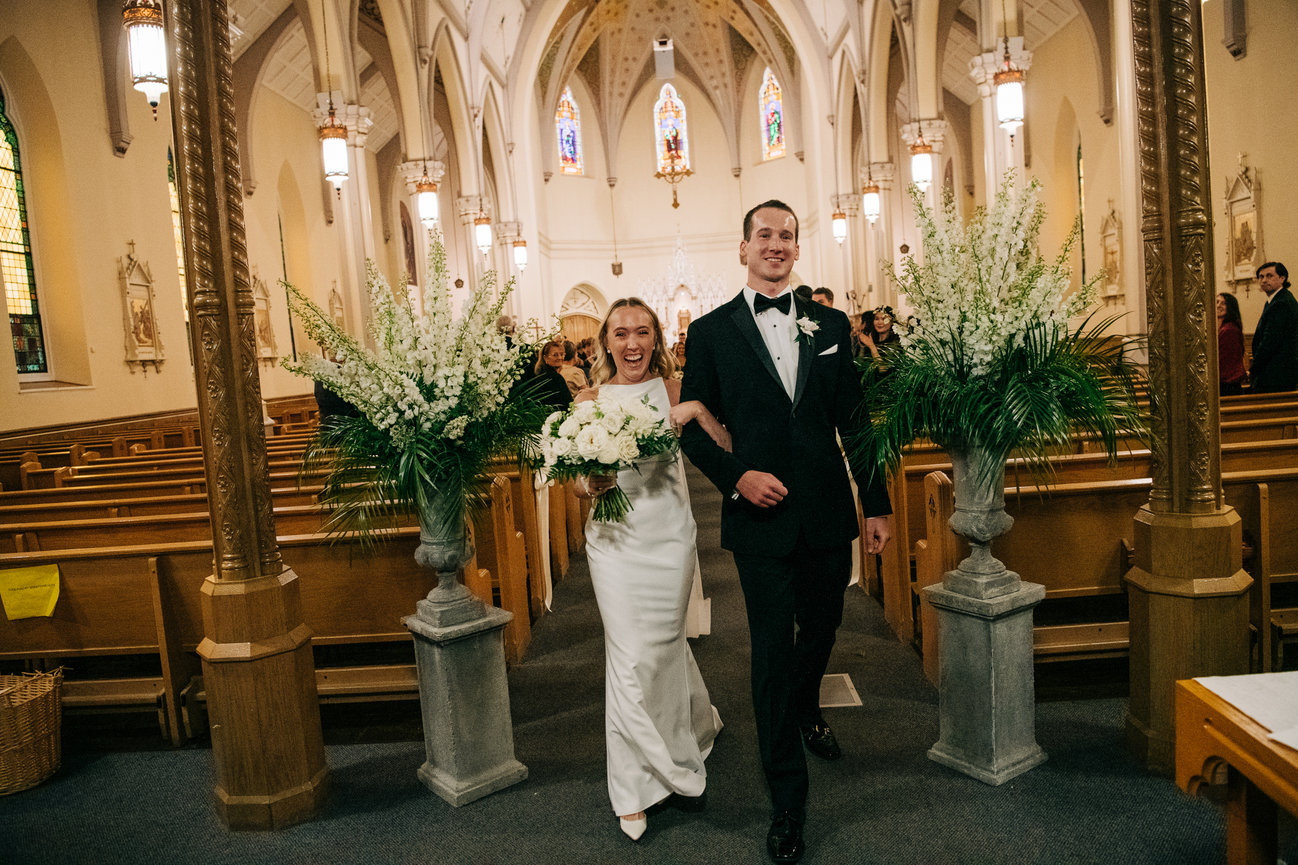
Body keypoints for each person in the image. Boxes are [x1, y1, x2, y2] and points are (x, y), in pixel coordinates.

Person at [678, 200, 893, 864]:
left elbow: (854, 419)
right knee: (771, 647)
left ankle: (806, 703)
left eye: (786, 236)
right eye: (764, 235)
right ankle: (788, 800)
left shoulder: (830, 324)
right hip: (759, 517)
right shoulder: (712, 333)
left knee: (824, 625)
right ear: (742, 247)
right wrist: (738, 476)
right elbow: (689, 426)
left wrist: (876, 502)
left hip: (828, 509)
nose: (776, 245)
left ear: (797, 250)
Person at [574, 298, 730, 843]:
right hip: (615, 541)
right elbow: (575, 475)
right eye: (621, 333)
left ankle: (694, 718)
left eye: (642, 332)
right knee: (630, 654)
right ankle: (635, 786)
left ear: (657, 337)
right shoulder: (589, 400)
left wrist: (699, 412)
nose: (632, 343)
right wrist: (588, 483)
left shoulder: (675, 389)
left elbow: (726, 442)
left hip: (669, 536)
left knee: (662, 645)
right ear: (606, 342)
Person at [1251, 261, 1298, 393]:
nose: (1264, 280)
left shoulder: (1281, 303)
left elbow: (1270, 342)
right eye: (1261, 277)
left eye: (1269, 276)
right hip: (1274, 370)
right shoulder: (1274, 300)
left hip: (1277, 372)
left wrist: (1253, 369)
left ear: (1282, 278)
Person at [1217, 292, 1247, 396]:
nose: (1218, 305)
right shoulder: (1221, 328)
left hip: (1227, 385)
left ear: (1230, 307)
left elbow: (1223, 361)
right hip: (1223, 382)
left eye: (1223, 303)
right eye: (1217, 302)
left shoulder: (1229, 330)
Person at [533, 338, 573, 410]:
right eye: (555, 355)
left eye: (562, 354)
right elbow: (568, 404)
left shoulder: (541, 373)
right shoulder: (555, 378)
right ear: (545, 358)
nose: (560, 358)